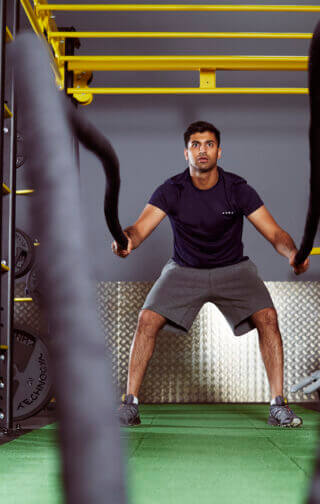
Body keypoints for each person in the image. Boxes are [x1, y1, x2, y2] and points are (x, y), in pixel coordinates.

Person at [113, 121, 309, 427]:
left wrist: (293, 254)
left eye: (208, 144)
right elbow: (138, 230)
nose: (202, 150)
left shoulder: (237, 189)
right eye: (195, 145)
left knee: (268, 317)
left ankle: (278, 405)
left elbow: (274, 233)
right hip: (184, 269)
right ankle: (129, 405)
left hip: (233, 268)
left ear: (219, 151)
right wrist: (127, 242)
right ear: (186, 152)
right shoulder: (171, 189)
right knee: (146, 319)